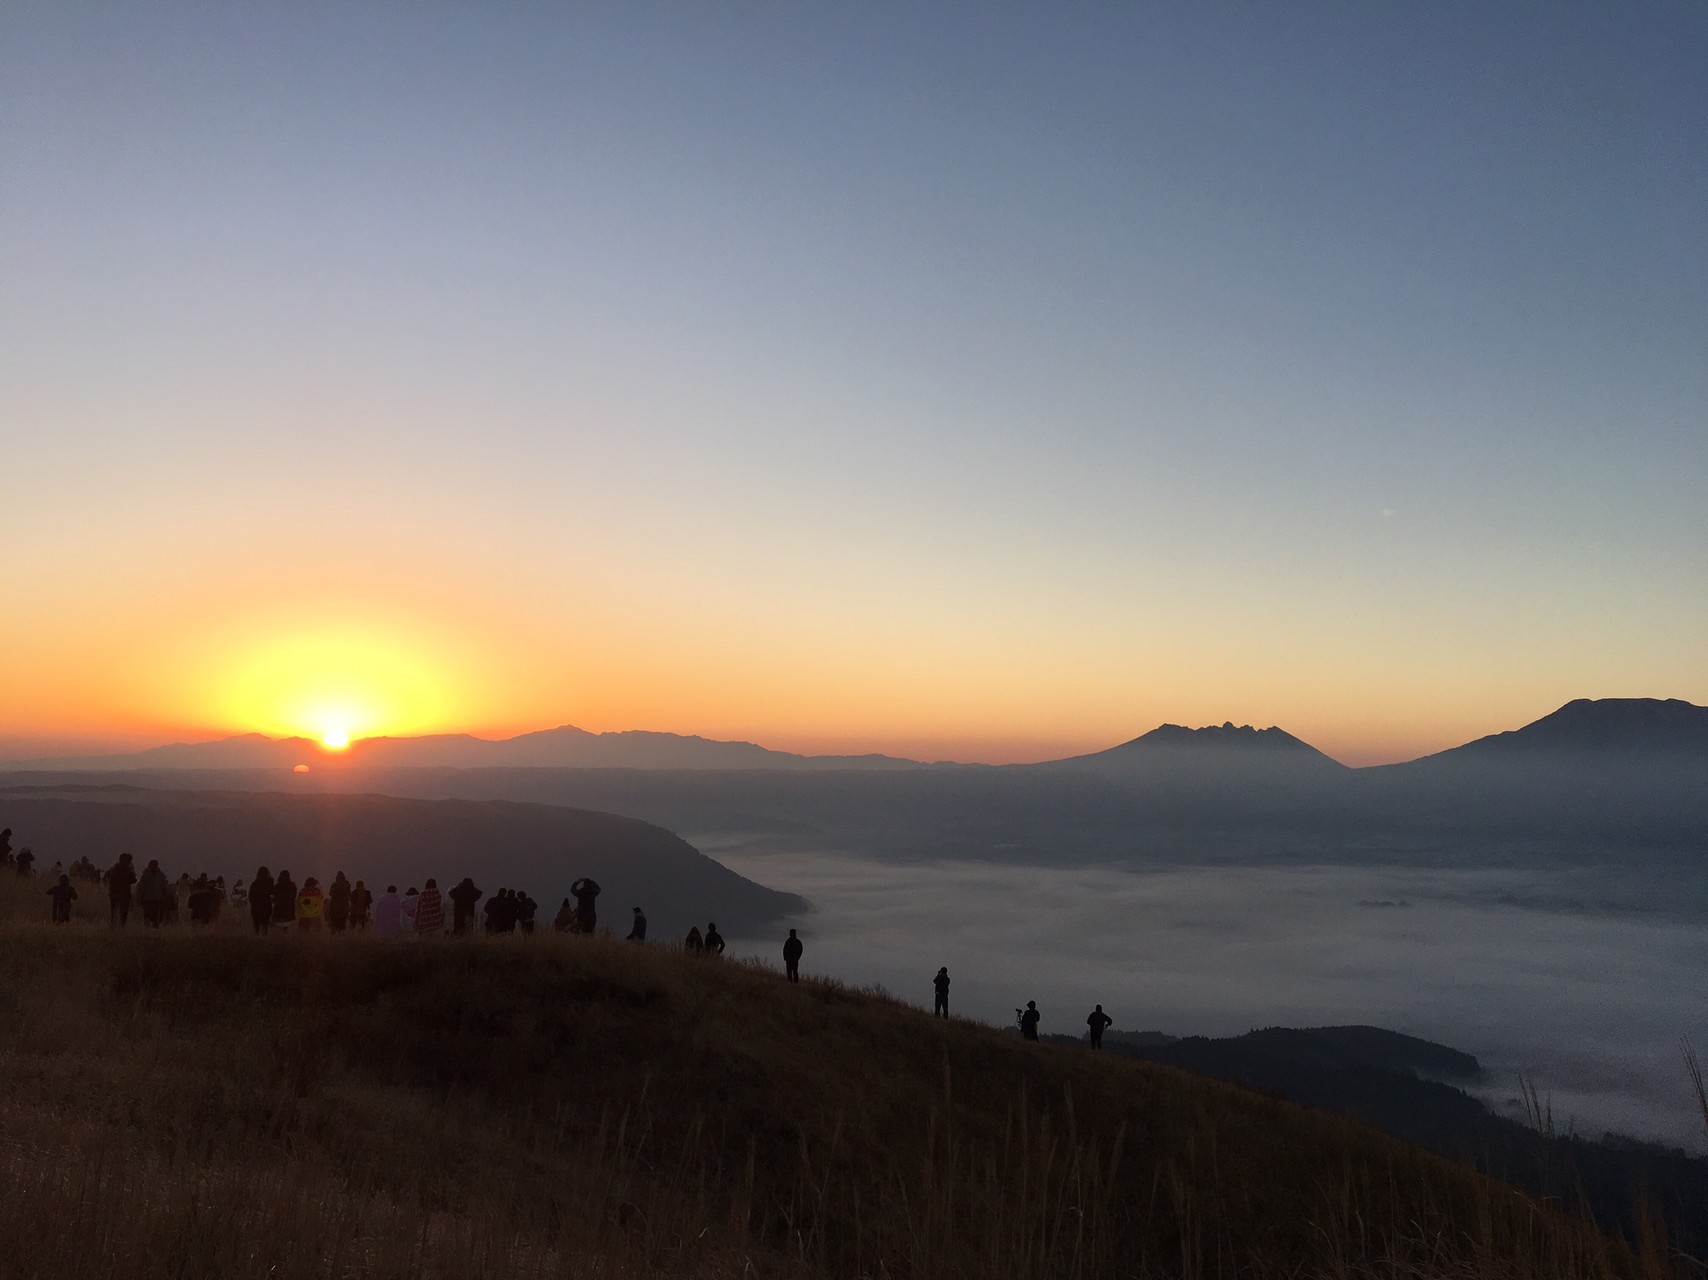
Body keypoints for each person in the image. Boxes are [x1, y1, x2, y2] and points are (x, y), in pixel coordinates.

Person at [105, 853, 137, 928]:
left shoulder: (114, 869)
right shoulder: (125, 870)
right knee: (122, 914)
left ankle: (114, 928)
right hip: (122, 894)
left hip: (115, 894)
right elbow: (133, 879)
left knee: (115, 913)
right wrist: (132, 870)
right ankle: (120, 928)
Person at [137, 858, 171, 928]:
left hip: (157, 898)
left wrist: (165, 895)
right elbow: (141, 887)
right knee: (147, 915)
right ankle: (148, 928)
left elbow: (164, 886)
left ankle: (155, 927)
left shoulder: (160, 875)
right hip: (148, 898)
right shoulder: (145, 875)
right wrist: (140, 898)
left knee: (157, 915)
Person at [249, 867, 275, 935]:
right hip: (266, 907)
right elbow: (273, 893)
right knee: (265, 925)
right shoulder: (270, 883)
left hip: (256, 907)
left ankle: (256, 937)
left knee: (256, 925)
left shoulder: (254, 884)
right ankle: (264, 938)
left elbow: (250, 898)